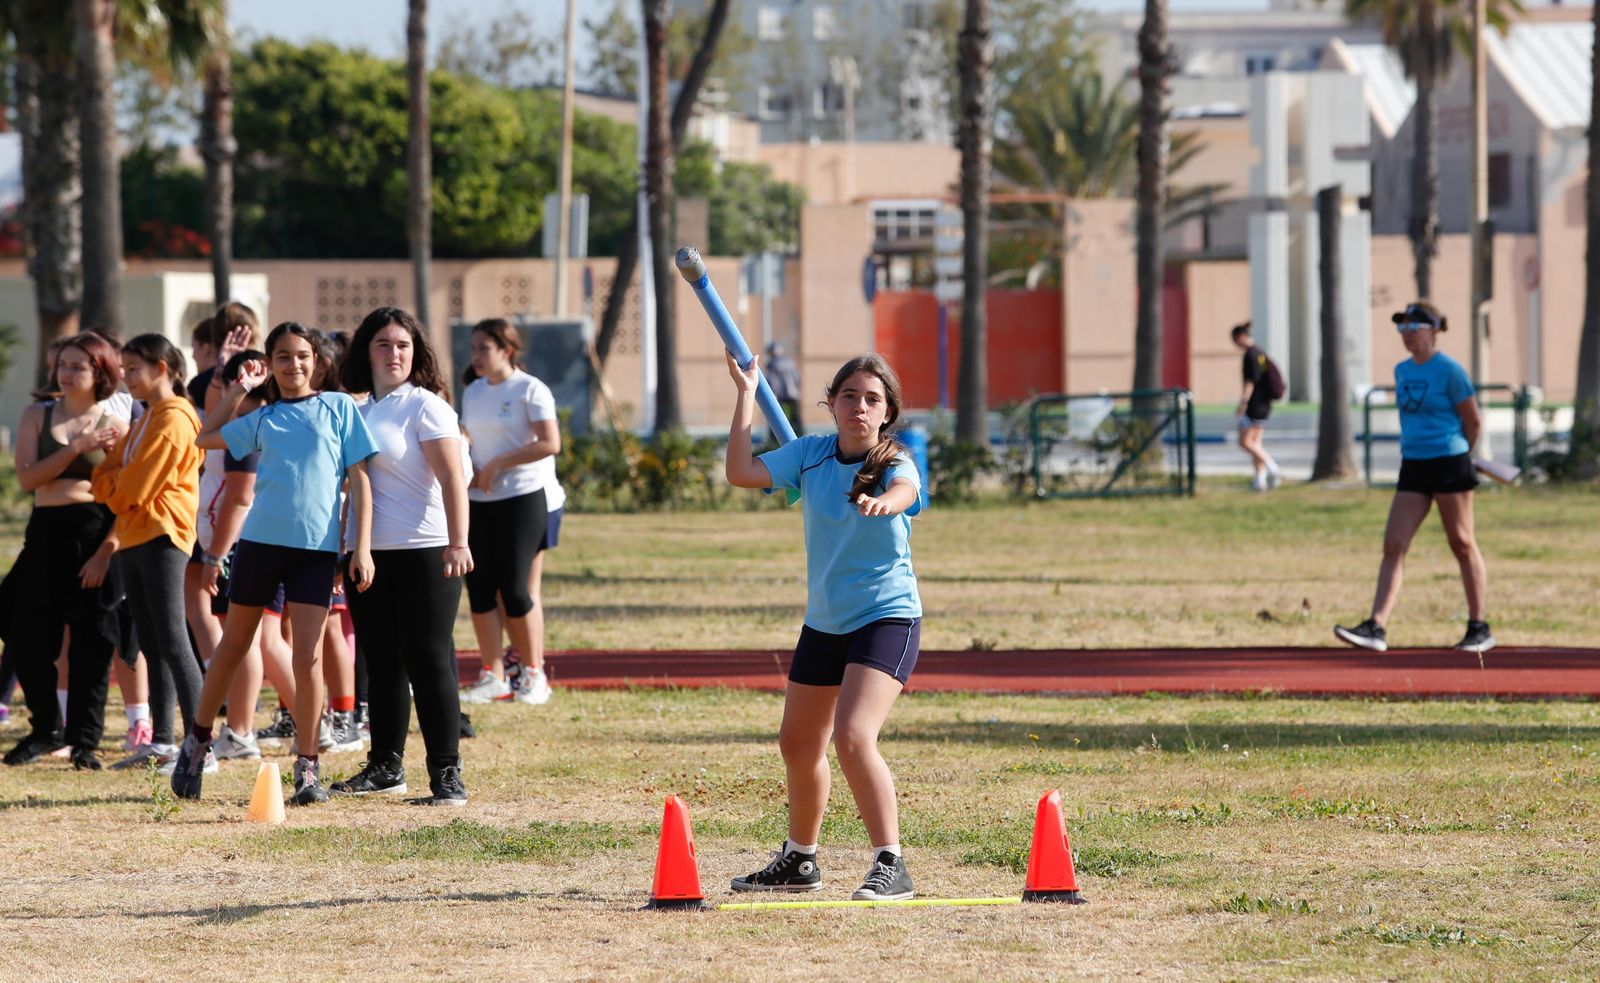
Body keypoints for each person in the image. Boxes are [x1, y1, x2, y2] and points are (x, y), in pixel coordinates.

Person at [723, 351, 927, 902]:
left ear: (887, 413)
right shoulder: (809, 456)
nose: (860, 406)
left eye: (872, 399)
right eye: (850, 396)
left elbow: (908, 490)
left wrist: (886, 503)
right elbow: (741, 472)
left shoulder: (893, 461)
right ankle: (800, 860)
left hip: (887, 616)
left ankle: (892, 862)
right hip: (826, 622)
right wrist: (746, 394)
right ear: (832, 404)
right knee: (797, 743)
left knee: (854, 737)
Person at [168, 322, 378, 805]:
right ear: (271, 363)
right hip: (259, 546)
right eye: (282, 356)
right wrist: (239, 388)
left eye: (301, 355)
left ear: (316, 361)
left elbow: (360, 479)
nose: (293, 364)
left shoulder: (340, 407)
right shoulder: (263, 416)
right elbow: (205, 438)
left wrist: (359, 548)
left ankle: (307, 768)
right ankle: (196, 744)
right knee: (233, 646)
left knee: (307, 657)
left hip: (316, 552)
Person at [330, 307, 473, 805]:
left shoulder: (426, 407)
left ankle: (447, 773)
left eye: (404, 346)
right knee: (381, 661)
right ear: (366, 351)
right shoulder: (358, 410)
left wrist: (459, 541)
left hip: (427, 550)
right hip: (367, 554)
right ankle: (385, 766)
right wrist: (343, 550)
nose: (395, 354)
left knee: (428, 658)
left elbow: (454, 477)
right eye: (384, 345)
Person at [1335, 302, 1494, 653]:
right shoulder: (1402, 370)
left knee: (1462, 542)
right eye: (1402, 327)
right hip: (1414, 464)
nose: (1407, 334)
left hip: (1450, 461)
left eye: (1415, 327)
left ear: (1434, 330)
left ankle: (1479, 626)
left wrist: (1461, 453)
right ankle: (1376, 626)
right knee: (1394, 543)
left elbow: (1474, 420)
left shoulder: (1450, 370)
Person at [0, 334, 128, 768]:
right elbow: (28, 479)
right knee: (24, 634)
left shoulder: (115, 425)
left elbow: (127, 500)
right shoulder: (37, 414)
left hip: (94, 534)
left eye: (79, 366)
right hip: (46, 532)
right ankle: (44, 730)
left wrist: (106, 552)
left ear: (100, 373)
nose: (68, 373)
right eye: (64, 365)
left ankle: (85, 743)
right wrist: (76, 448)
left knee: (92, 643)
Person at [89, 334, 206, 772]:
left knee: (174, 640)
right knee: (153, 643)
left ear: (162, 368)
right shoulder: (145, 418)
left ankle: (201, 744)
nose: (125, 377)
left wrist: (118, 488)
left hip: (163, 535)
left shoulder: (175, 418)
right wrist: (118, 487)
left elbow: (130, 490)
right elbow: (104, 476)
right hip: (136, 537)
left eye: (133, 368)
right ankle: (162, 739)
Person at [458, 318, 559, 706]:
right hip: (479, 500)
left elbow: (550, 443)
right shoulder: (474, 390)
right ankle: (492, 674)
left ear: (506, 350)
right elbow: (469, 433)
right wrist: (465, 461)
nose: (477, 356)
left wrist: (499, 464)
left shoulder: (530, 389)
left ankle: (534, 673)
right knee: (480, 589)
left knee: (515, 589)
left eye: (484, 347)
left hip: (522, 496)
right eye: (474, 348)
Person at [1231, 323, 1281, 491]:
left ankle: (1273, 468)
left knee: (1244, 442)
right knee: (1256, 442)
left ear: (1240, 337)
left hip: (1254, 404)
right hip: (1265, 403)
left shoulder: (1250, 355)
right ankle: (1259, 480)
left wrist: (1243, 403)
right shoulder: (1260, 352)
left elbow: (1250, 382)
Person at [765, 341, 804, 439]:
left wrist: (773, 393)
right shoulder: (790, 362)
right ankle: (799, 435)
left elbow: (771, 380)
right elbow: (797, 377)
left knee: (776, 416)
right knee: (795, 416)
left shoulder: (772, 364)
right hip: (793, 393)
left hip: (780, 394)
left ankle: (773, 438)